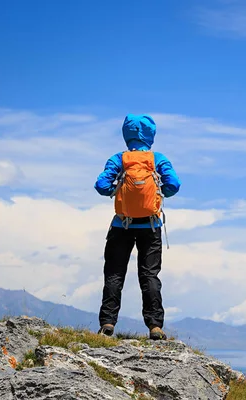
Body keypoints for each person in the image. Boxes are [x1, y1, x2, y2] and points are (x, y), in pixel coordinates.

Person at [94, 114, 181, 340]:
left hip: (121, 225)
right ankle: (155, 326)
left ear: (126, 134)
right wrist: (160, 192)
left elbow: (101, 185)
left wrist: (116, 189)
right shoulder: (157, 159)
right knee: (149, 275)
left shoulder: (119, 159)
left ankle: (107, 323)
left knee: (114, 274)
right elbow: (174, 184)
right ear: (151, 134)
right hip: (151, 226)